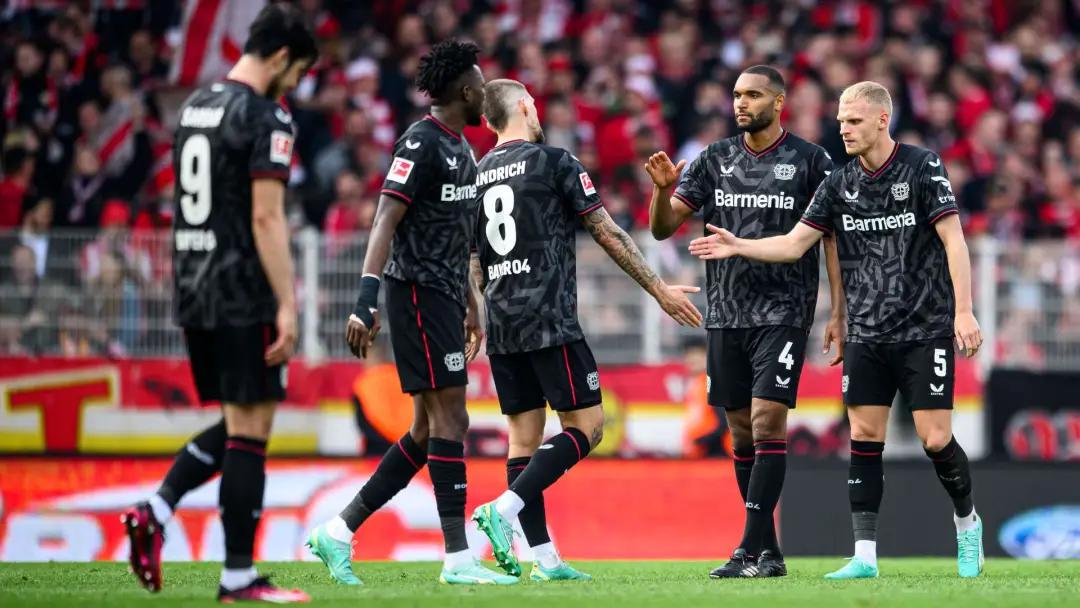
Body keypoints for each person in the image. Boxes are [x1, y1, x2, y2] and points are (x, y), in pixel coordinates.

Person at [688, 81, 984, 580]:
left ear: (882, 120)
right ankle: (864, 555)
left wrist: (964, 311)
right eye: (841, 120)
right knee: (864, 438)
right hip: (867, 331)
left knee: (935, 439)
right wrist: (738, 245)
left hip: (924, 327)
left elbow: (954, 239)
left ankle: (967, 521)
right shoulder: (838, 183)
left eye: (854, 121)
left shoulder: (922, 166)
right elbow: (793, 244)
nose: (843, 129)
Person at [468, 78, 702, 581]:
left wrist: (477, 313)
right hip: (549, 317)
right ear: (525, 107)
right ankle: (503, 509)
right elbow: (606, 231)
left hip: (502, 320)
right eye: (534, 105)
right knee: (589, 427)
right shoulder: (555, 161)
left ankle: (545, 559)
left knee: (523, 440)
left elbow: (472, 260)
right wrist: (658, 288)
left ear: (487, 122)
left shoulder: (477, 175)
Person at [121, 5, 316, 602]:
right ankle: (237, 578)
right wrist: (287, 303)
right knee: (252, 430)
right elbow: (265, 217)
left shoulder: (195, 106)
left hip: (194, 286)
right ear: (280, 57)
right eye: (297, 73)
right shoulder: (266, 116)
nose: (293, 87)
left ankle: (156, 509)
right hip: (242, 289)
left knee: (238, 423)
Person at [306, 41, 513, 586]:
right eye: (481, 86)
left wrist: (472, 304)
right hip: (416, 294)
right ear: (465, 91)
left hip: (444, 295)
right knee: (452, 421)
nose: (486, 93)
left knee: (425, 431)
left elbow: (456, 235)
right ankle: (458, 559)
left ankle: (337, 531)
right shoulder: (420, 143)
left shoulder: (462, 149)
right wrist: (364, 300)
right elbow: (384, 220)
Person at [647, 66, 846, 578]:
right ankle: (769, 552)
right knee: (739, 434)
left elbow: (831, 240)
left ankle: (745, 550)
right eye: (737, 94)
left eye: (752, 95)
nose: (741, 103)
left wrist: (839, 310)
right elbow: (664, 227)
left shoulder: (811, 161)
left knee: (766, 421)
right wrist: (662, 191)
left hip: (784, 311)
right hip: (726, 313)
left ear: (778, 102)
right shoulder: (713, 158)